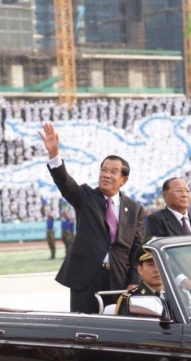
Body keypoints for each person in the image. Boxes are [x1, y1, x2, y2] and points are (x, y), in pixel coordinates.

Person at [38, 122, 145, 313]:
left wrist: (134, 282)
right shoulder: (86, 197)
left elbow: (137, 250)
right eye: (103, 170)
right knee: (84, 329)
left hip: (119, 279)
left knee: (116, 330)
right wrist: (54, 155)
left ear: (124, 180)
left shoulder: (135, 209)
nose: (106, 175)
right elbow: (65, 183)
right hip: (86, 278)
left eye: (113, 172)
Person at [115, 250, 165, 316]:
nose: (157, 270)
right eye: (151, 265)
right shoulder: (130, 299)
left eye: (160, 264)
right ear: (140, 270)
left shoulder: (177, 295)